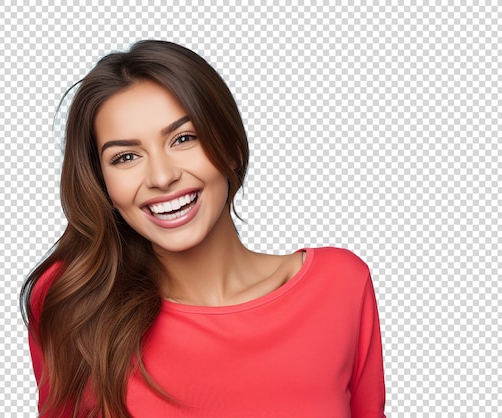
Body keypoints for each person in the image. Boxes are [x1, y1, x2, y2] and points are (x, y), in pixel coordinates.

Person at [20, 40, 386, 418]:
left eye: (183, 138)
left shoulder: (339, 285)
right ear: (104, 185)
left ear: (227, 146)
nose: (162, 177)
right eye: (126, 157)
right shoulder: (74, 302)